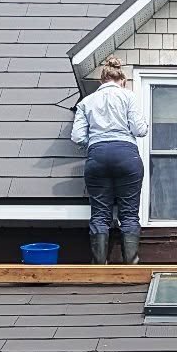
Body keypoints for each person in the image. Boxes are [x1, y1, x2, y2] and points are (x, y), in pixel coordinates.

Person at [70, 56, 148, 263]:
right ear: (121, 80)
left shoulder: (86, 102)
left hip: (97, 155)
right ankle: (130, 262)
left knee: (99, 214)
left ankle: (99, 264)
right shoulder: (127, 96)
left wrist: (95, 142)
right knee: (129, 213)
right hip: (126, 155)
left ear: (101, 81)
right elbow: (139, 130)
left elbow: (77, 137)